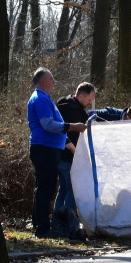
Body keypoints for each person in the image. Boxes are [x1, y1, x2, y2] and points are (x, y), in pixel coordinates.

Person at [54, 82, 128, 239]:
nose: (90, 103)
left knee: (63, 189)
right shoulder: (74, 111)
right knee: (72, 191)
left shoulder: (64, 104)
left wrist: (122, 113)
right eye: (89, 99)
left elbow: (100, 113)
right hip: (69, 158)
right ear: (81, 96)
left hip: (57, 156)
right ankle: (69, 226)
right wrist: (75, 150)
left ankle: (57, 223)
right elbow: (67, 133)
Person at [27, 68, 86, 238]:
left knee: (44, 188)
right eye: (51, 79)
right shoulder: (40, 99)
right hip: (44, 149)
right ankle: (43, 229)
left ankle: (41, 226)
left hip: (49, 149)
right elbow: (48, 124)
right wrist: (72, 126)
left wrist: (70, 145)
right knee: (45, 189)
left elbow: (56, 128)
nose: (54, 82)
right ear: (43, 81)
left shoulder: (45, 99)